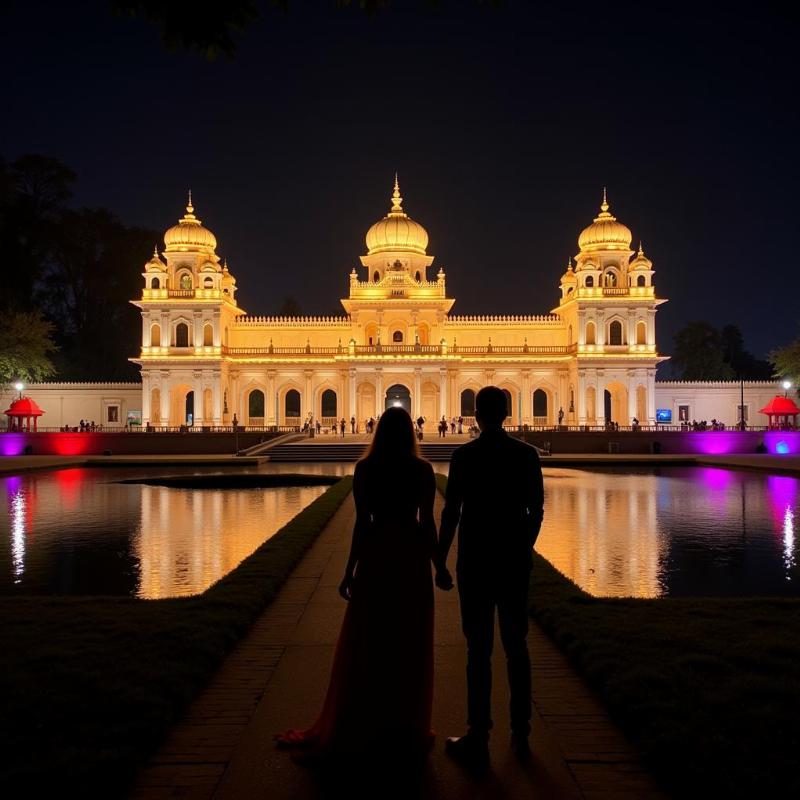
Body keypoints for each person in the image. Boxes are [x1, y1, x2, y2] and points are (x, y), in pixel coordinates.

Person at [276, 407, 443, 760]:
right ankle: (404, 723)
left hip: (377, 554)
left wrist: (349, 569)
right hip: (410, 558)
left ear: (378, 432)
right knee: (408, 639)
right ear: (411, 433)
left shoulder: (366, 469)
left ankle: (360, 718)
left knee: (369, 638)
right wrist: (439, 564)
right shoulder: (422, 470)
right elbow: (427, 522)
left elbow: (362, 523)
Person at [437, 386, 544, 767]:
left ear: (476, 414)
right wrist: (523, 547)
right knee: (518, 647)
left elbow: (452, 511)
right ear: (507, 413)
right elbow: (537, 510)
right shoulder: (526, 455)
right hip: (513, 562)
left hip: (476, 562)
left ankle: (478, 735)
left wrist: (439, 558)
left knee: (477, 651)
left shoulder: (465, 456)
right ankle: (521, 733)